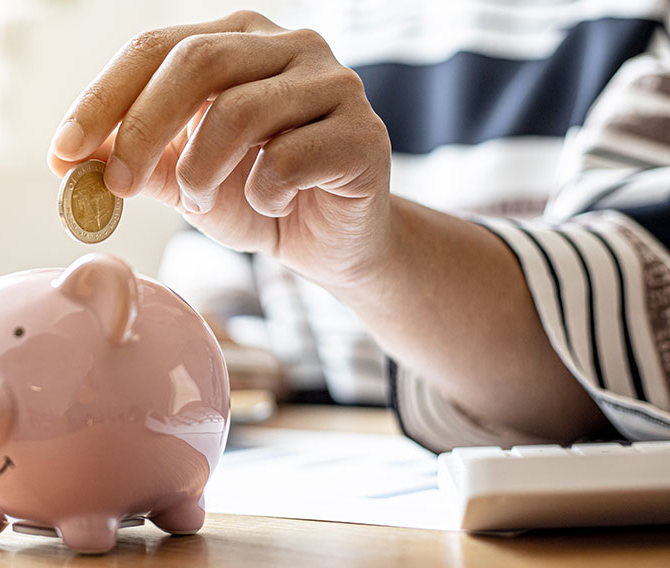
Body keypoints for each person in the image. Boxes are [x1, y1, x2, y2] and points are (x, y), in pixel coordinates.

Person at [46, 4, 670, 452]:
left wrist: (370, 256)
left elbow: (643, 330)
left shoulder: (640, 25)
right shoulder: (297, 38)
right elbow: (233, 338)